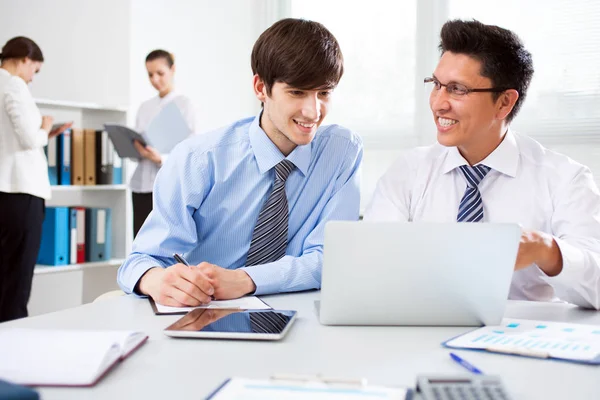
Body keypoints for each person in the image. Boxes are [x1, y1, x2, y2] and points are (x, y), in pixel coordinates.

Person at [117, 18, 362, 306]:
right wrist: (157, 280)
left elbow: (329, 258)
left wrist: (246, 280)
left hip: (302, 315)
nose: (313, 111)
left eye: (324, 93)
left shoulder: (341, 151)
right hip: (208, 314)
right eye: (297, 92)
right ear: (261, 87)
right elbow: (140, 261)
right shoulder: (198, 160)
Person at [365, 19, 600, 310]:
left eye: (457, 89)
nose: (438, 103)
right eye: (436, 85)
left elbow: (596, 288)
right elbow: (372, 268)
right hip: (421, 332)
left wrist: (546, 250)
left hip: (519, 340)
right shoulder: (408, 172)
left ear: (504, 103)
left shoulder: (565, 179)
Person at [0, 36, 71, 322]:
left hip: (4, 191)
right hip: (22, 191)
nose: (32, 78)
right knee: (17, 280)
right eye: (35, 71)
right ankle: (13, 352)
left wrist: (40, 135)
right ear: (25, 59)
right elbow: (29, 138)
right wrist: (46, 127)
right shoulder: (14, 84)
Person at [130, 49, 197, 237]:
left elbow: (190, 149)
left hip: (167, 186)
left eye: (160, 73)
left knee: (162, 242)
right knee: (140, 241)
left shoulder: (184, 104)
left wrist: (161, 158)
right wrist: (136, 149)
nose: (155, 79)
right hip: (141, 185)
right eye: (150, 74)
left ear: (172, 69)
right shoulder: (145, 107)